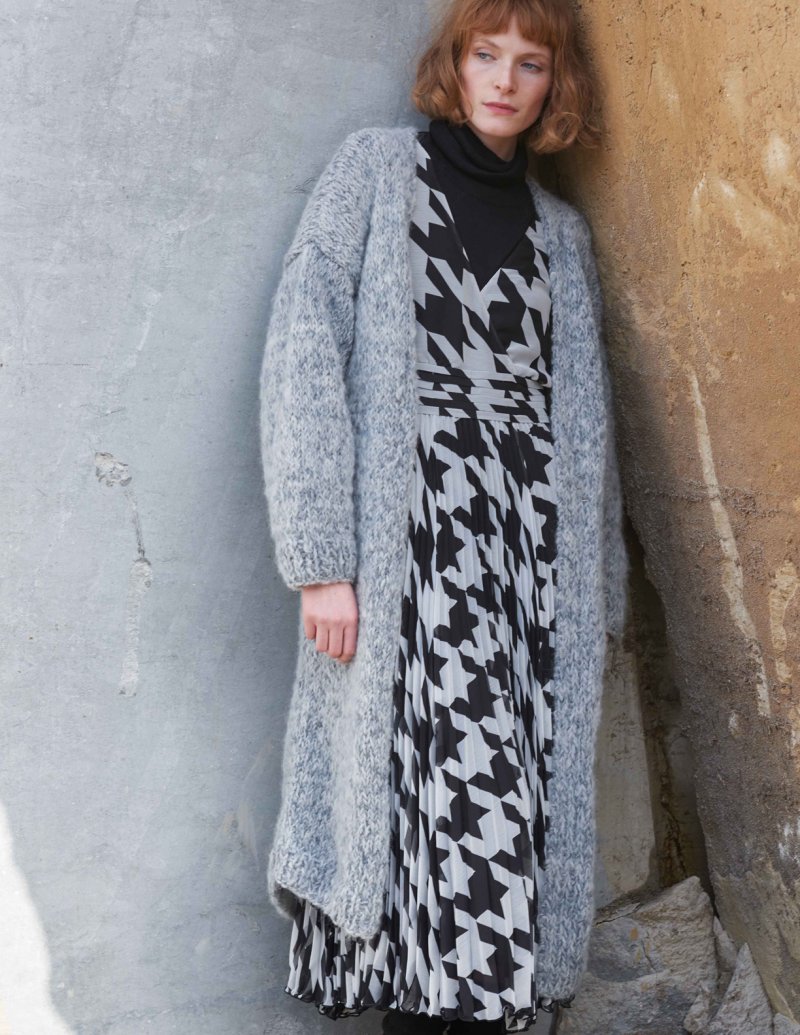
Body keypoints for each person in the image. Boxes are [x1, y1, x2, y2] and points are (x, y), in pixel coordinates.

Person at [258, 0, 630, 1031]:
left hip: (524, 571)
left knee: (499, 823)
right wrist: (321, 561)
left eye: (530, 63)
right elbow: (303, 348)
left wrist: (591, 601)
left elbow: (586, 427)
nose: (505, 80)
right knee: (410, 827)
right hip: (405, 560)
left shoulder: (562, 234)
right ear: (452, 63)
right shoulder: (375, 173)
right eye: (485, 54)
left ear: (556, 86)